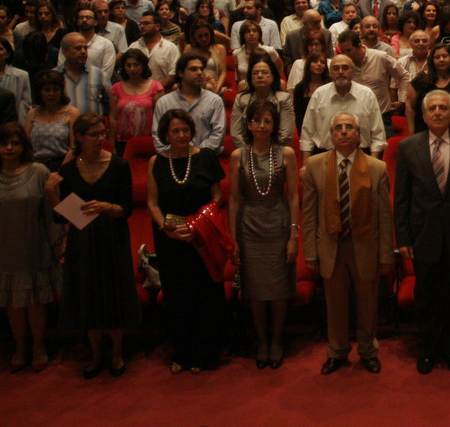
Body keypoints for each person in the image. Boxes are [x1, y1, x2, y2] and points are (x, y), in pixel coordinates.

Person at [394, 90, 450, 375]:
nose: (437, 112)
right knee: (425, 295)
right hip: (423, 233)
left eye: (443, 108)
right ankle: (427, 350)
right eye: (431, 108)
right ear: (423, 115)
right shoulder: (408, 147)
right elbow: (402, 198)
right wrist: (403, 237)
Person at [45, 114, 139, 378]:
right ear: (79, 137)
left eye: (102, 133)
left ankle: (117, 352)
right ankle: (96, 353)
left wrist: (107, 207)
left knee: (114, 293)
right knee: (88, 294)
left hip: (112, 235)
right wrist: (51, 193)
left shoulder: (119, 165)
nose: (100, 139)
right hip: (82, 238)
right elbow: (60, 215)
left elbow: (127, 209)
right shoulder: (69, 170)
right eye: (94, 134)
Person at [302, 112, 394, 375]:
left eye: (349, 127)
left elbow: (384, 217)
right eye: (338, 128)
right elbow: (309, 215)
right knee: (335, 305)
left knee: (367, 305)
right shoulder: (315, 166)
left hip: (365, 246)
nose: (343, 131)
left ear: (359, 134)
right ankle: (337, 351)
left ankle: (368, 351)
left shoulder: (377, 169)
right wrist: (310, 253)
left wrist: (386, 255)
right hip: (331, 247)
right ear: (331, 135)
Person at [146, 109, 227, 374]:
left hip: (201, 237)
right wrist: (165, 228)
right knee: (178, 296)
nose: (181, 135)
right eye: (175, 131)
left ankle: (207, 352)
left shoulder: (205, 157)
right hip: (171, 239)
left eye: (185, 130)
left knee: (205, 293)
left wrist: (198, 224)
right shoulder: (155, 162)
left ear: (192, 131)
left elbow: (217, 196)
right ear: (165, 134)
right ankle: (183, 351)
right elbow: (152, 203)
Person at [228, 100, 299, 370]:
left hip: (278, 222)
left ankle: (277, 339)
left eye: (267, 121)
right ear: (248, 124)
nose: (261, 126)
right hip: (249, 224)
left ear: (274, 125)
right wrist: (233, 237)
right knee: (255, 288)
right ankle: (261, 340)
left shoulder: (287, 154)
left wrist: (294, 233)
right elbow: (234, 200)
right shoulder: (238, 156)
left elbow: (293, 197)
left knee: (279, 287)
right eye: (256, 121)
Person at [0, 122, 60, 373]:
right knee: (13, 303)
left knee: (35, 301)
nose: (9, 148)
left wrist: (56, 243)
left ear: (24, 146)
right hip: (5, 248)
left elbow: (50, 212)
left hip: (34, 244)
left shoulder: (38, 171)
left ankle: (37, 346)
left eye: (15, 143)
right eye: (4, 143)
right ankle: (19, 347)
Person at [300, 54, 386, 157]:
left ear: (353, 72)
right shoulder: (319, 95)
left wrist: (372, 162)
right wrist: (306, 163)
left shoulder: (367, 95)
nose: (340, 72)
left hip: (361, 156)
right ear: (330, 73)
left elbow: (378, 134)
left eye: (345, 68)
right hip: (324, 156)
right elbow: (307, 132)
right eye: (336, 68)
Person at [152, 54, 226, 155]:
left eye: (201, 69)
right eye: (193, 69)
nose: (199, 73)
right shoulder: (164, 102)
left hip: (204, 159)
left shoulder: (214, 100)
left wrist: (197, 154)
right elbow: (158, 134)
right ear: (181, 73)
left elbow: (218, 134)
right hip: (172, 159)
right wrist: (174, 154)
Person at [405, 43, 450, 134]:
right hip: (424, 133)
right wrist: (411, 132)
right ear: (432, 60)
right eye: (437, 57)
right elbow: (410, 107)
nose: (441, 59)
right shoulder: (421, 79)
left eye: (444, 56)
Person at [229, 56, 294, 150]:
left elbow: (286, 135)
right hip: (247, 153)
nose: (259, 75)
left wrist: (267, 153)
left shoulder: (284, 99)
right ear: (250, 78)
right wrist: (251, 152)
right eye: (255, 73)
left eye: (264, 72)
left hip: (277, 153)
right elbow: (236, 134)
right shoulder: (241, 99)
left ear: (273, 76)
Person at [108, 49, 164, 157]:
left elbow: (160, 118)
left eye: (136, 65)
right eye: (128, 65)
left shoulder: (156, 87)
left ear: (143, 66)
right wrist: (112, 144)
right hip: (123, 143)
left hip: (148, 141)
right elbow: (113, 118)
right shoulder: (116, 88)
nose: (132, 69)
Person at [25, 70, 80, 171]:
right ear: (40, 92)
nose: (51, 94)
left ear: (61, 91)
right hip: (34, 166)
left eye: (55, 90)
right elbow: (25, 145)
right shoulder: (32, 113)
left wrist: (61, 171)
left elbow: (74, 147)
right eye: (47, 90)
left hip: (62, 166)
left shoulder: (72, 113)